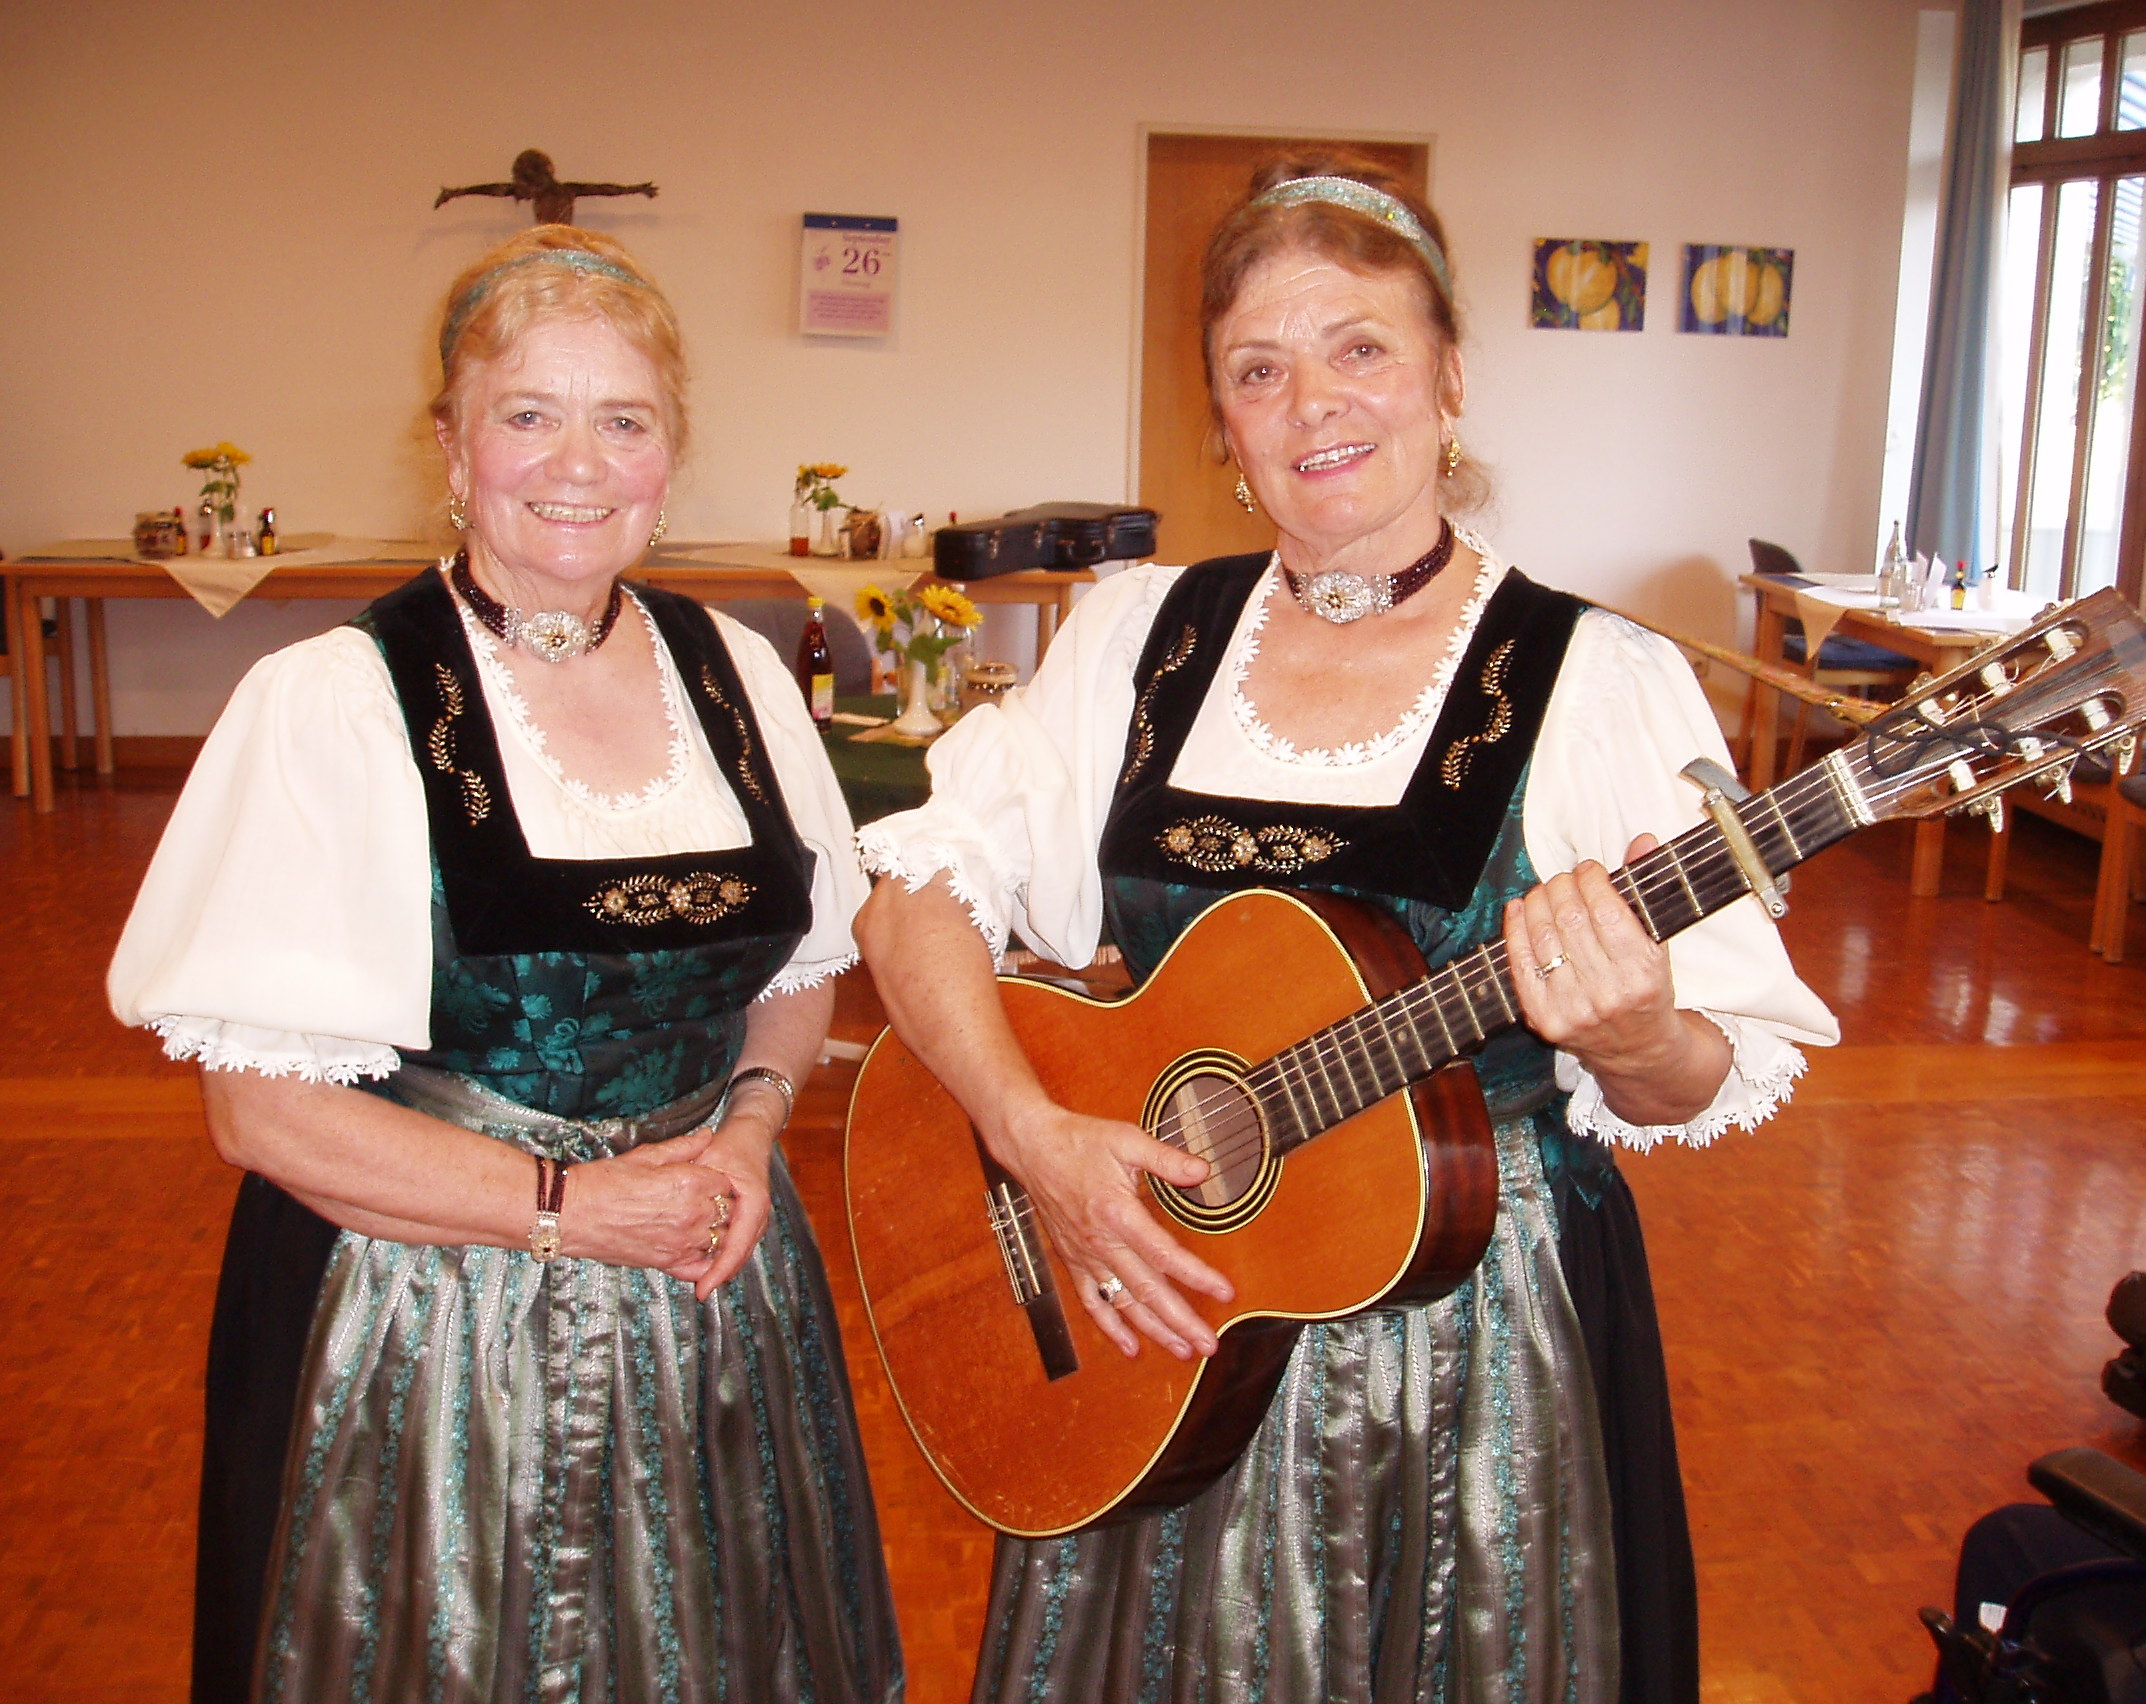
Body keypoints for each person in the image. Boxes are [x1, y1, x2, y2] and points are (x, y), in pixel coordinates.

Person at [853, 154, 1836, 1704]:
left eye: (1360, 347)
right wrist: (1031, 1136)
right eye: (1260, 369)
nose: (1313, 403)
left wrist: (1638, 1031)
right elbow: (920, 889)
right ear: (1223, 422)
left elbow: (1703, 1071)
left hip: (1462, 1352)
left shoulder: (1590, 681)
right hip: (1148, 1306)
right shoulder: (1140, 638)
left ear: (1450, 377)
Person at [109, 226, 902, 1704]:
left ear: (672, 453)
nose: (578, 465)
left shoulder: (738, 677)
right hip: (430, 1324)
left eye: (626, 421)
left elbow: (799, 967)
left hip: (711, 1286)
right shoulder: (338, 702)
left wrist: (749, 1129)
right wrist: (575, 1209)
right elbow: (260, 1113)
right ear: (452, 443)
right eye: (529, 413)